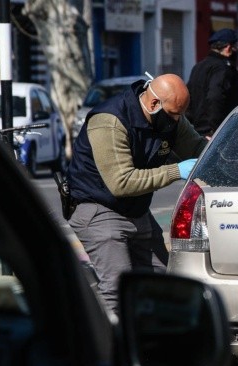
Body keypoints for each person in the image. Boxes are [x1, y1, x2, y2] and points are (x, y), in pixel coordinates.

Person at [66, 74, 208, 313]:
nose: (177, 122)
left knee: (163, 280)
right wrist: (176, 170)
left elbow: (196, 148)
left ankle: (150, 342)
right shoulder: (110, 121)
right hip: (98, 207)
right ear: (153, 104)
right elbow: (121, 183)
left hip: (136, 210)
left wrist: (223, 155)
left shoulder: (170, 116)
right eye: (174, 115)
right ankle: (106, 346)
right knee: (116, 288)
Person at [186, 28, 238, 137]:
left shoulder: (198, 66)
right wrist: (217, 131)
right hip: (213, 134)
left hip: (196, 132)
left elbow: (188, 98)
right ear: (228, 48)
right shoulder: (222, 69)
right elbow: (215, 98)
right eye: (235, 47)